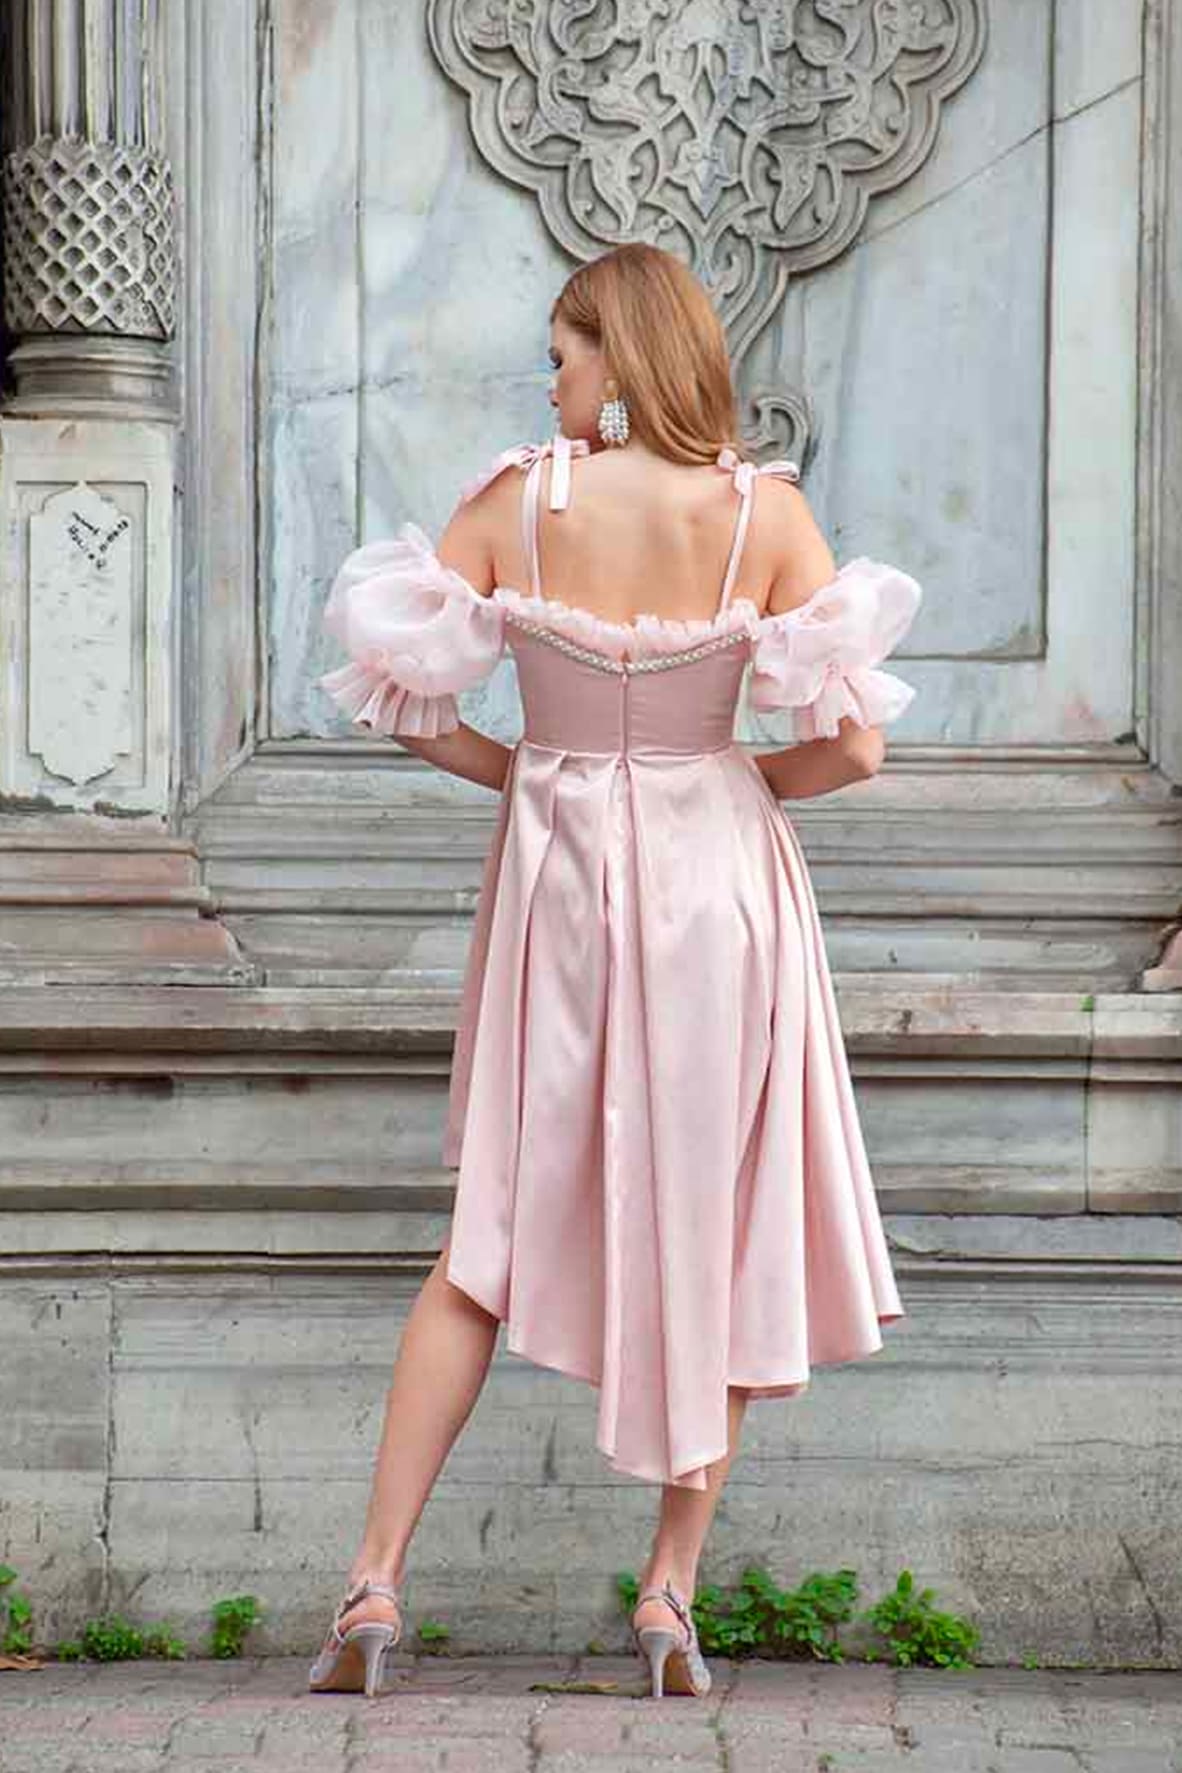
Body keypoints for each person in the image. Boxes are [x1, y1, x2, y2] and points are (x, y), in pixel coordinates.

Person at [309, 242, 922, 1701]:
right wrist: (732, 775)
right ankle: (666, 1593)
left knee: (485, 1237)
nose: (551, 380)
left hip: (560, 880)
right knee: (713, 1226)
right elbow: (854, 749)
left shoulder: (519, 504)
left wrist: (532, 769)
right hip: (722, 888)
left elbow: (404, 700)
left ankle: (374, 1583)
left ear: (621, 354)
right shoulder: (762, 515)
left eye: (565, 352)